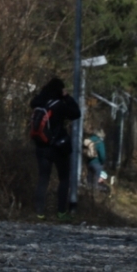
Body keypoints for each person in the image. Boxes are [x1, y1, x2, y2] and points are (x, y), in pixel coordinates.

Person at [30, 78, 81, 220]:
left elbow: (33, 102)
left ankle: (39, 212)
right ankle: (61, 212)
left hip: (41, 146)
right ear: (60, 90)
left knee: (43, 178)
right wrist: (67, 97)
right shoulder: (59, 105)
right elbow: (76, 113)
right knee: (64, 179)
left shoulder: (39, 103)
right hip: (58, 147)